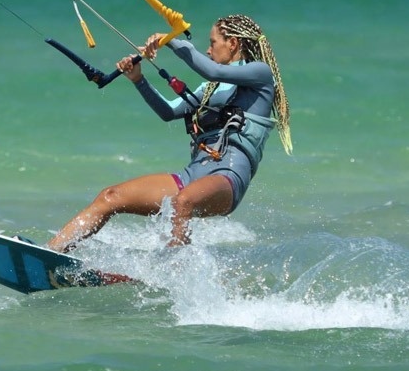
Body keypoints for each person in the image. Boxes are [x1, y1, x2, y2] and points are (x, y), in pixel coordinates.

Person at [47, 14, 292, 252]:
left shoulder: (260, 73)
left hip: (227, 175)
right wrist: (138, 80)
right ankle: (51, 252)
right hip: (192, 174)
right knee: (111, 196)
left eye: (212, 43)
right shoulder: (210, 88)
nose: (208, 50)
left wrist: (173, 40)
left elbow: (213, 70)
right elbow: (169, 111)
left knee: (183, 202)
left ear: (233, 43)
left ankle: (175, 274)